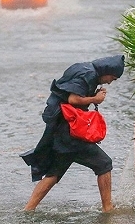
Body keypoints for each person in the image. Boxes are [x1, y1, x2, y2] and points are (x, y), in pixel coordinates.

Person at [22, 55, 125, 213]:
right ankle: (107, 208)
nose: (111, 81)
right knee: (104, 164)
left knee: (53, 174)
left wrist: (91, 95)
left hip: (60, 130)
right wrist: (95, 99)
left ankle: (28, 209)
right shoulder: (88, 74)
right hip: (70, 133)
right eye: (113, 77)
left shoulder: (83, 68)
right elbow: (73, 99)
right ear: (107, 71)